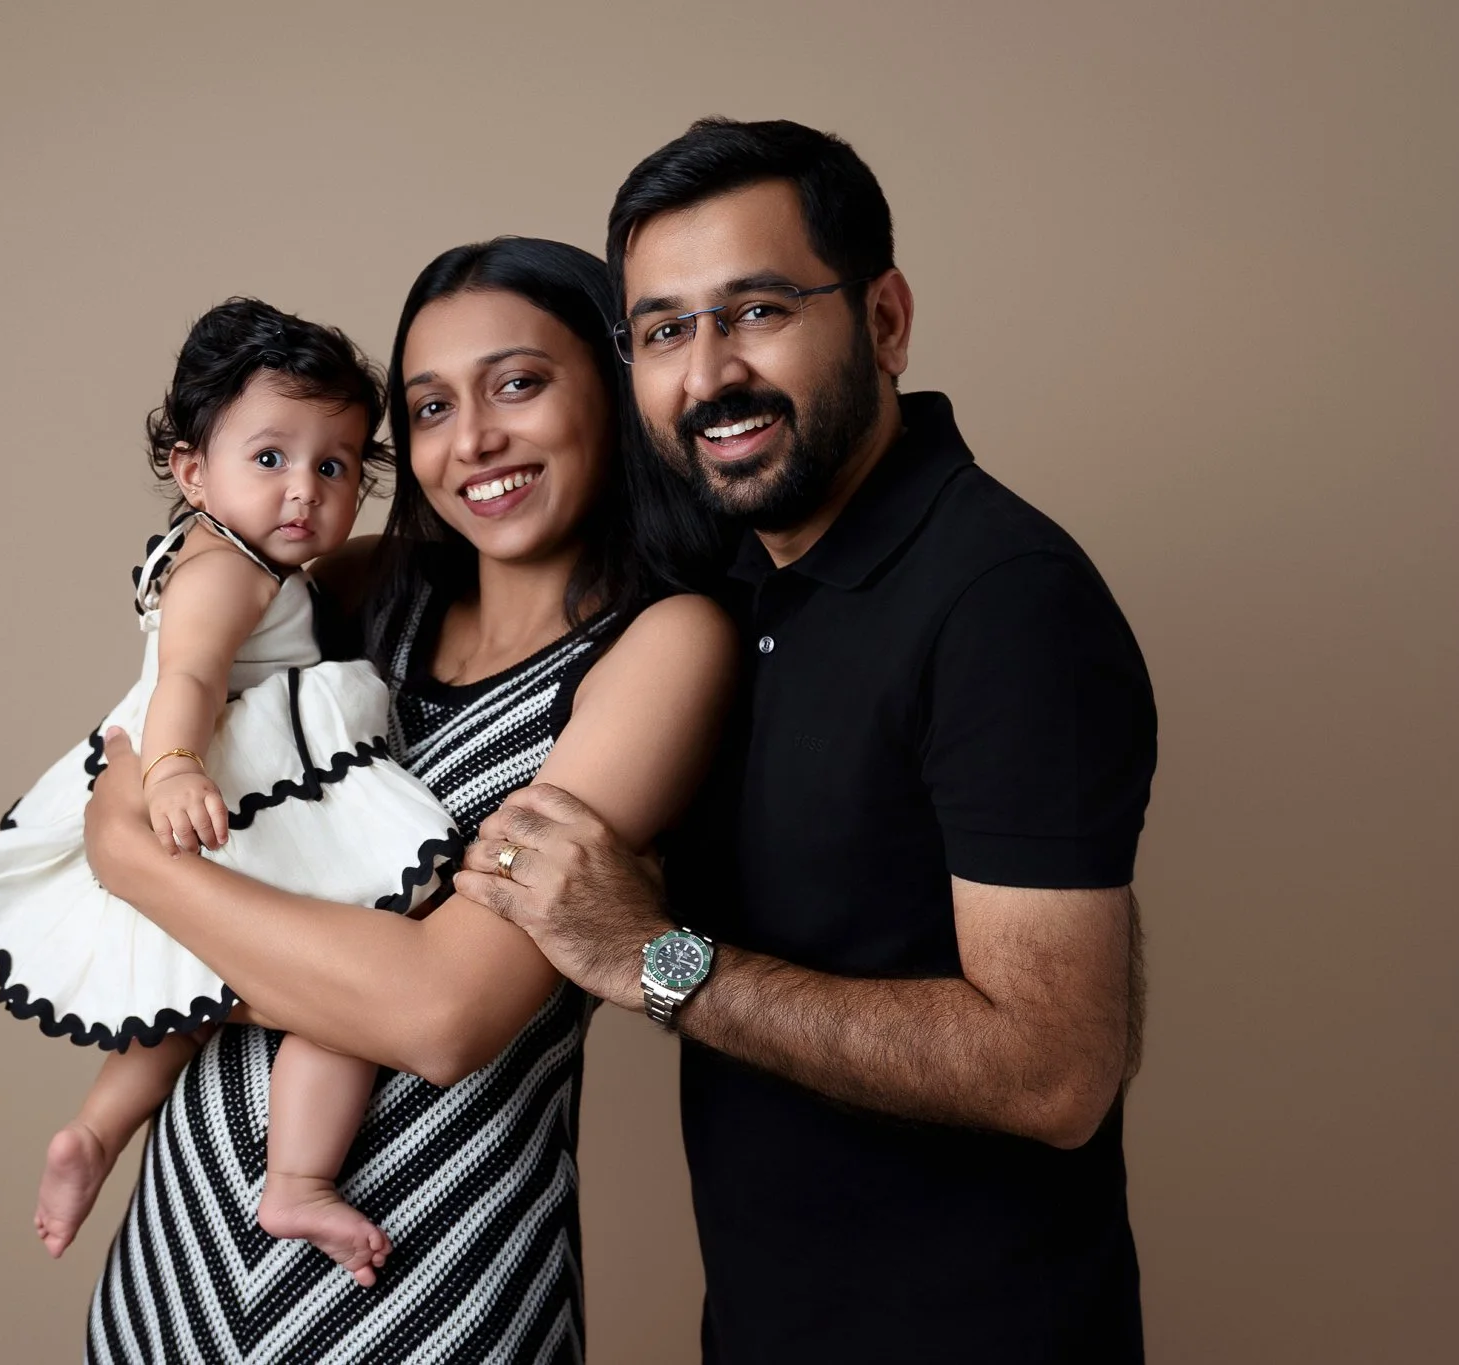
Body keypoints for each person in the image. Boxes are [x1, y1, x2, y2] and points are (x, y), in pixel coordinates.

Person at [454, 119, 1160, 1361]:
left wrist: (654, 959)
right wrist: (221, 566)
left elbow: (1055, 1071)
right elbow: (463, 538)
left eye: (759, 309)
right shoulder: (723, 578)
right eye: (664, 330)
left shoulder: (1003, 599)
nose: (708, 372)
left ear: (883, 321)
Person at [74, 239, 731, 1362]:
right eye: (429, 407)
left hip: (426, 1272)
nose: (471, 439)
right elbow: (134, 750)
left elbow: (440, 1016)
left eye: (516, 384)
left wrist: (142, 876)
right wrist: (142, 844)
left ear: (614, 394)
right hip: (182, 1250)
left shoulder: (663, 646)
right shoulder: (352, 590)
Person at [0, 297, 466, 1282]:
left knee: (181, 986)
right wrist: (176, 765)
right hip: (227, 792)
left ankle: (97, 1131)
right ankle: (296, 1180)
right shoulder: (221, 571)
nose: (303, 489)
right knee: (347, 983)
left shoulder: (254, 563)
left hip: (228, 790)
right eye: (268, 458)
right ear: (192, 471)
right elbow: (185, 676)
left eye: (335, 464)